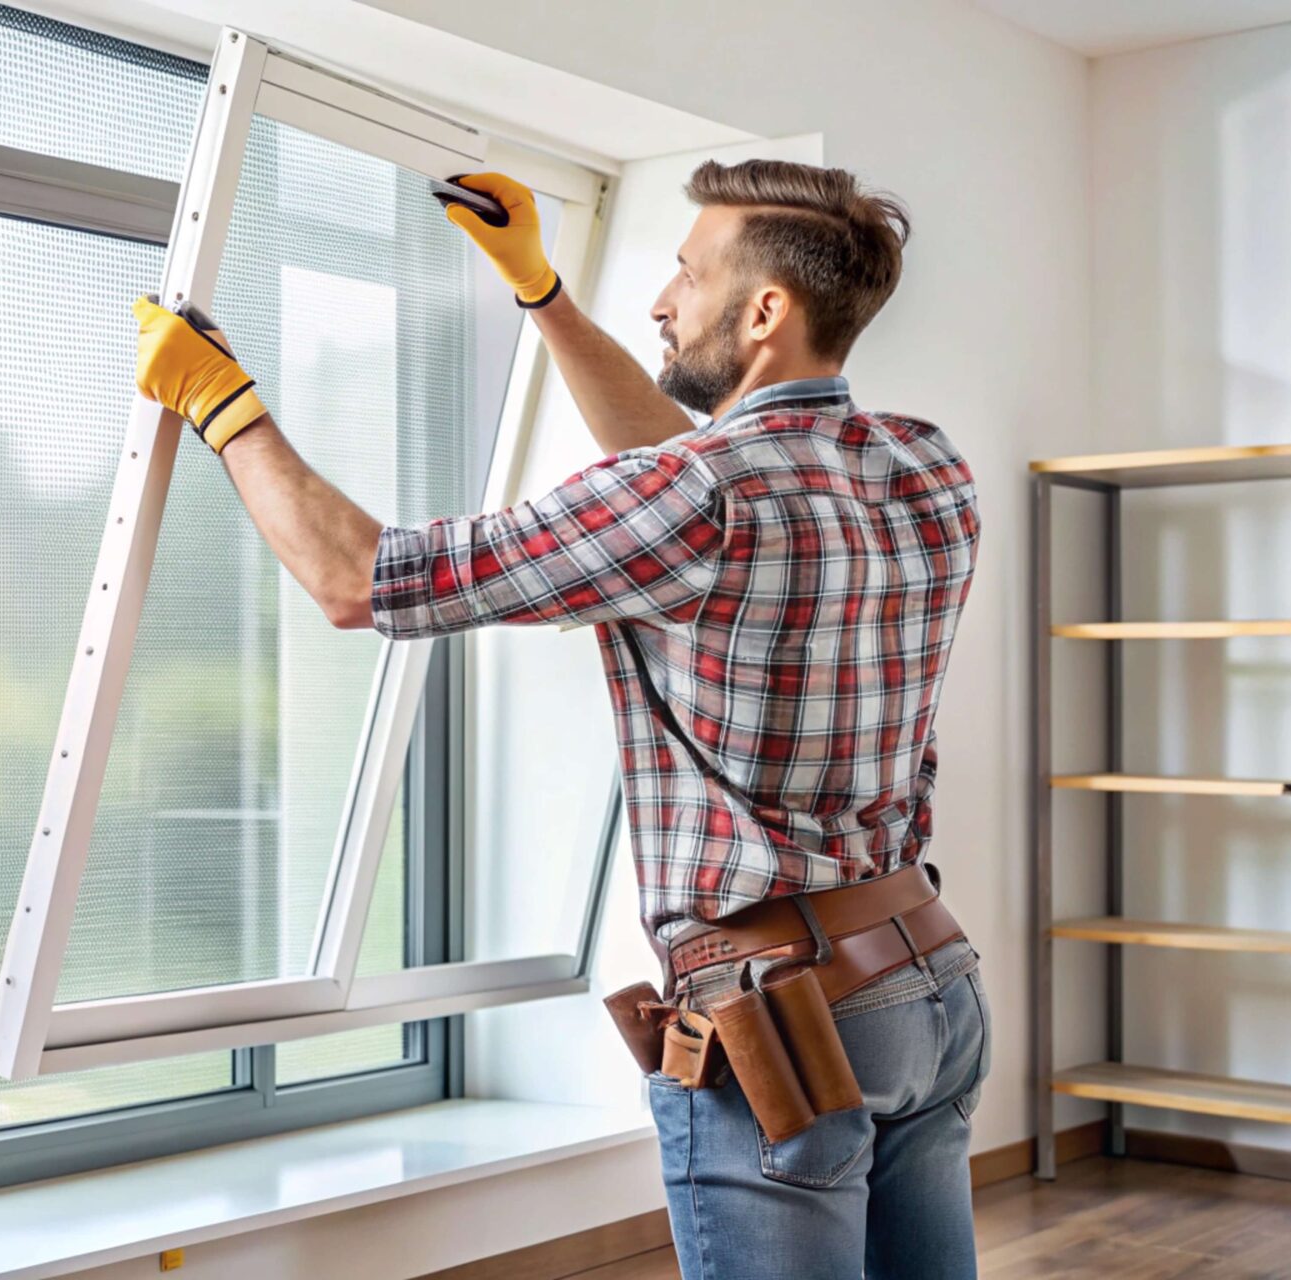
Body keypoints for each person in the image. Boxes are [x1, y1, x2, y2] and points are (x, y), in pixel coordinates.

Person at [132, 157, 986, 1279]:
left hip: (785, 1015)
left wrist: (222, 404)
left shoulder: (695, 497)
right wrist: (542, 293)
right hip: (925, 983)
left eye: (685, 274)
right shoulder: (922, 463)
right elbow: (687, 468)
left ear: (764, 310)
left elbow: (359, 577)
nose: (662, 301)